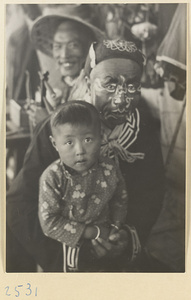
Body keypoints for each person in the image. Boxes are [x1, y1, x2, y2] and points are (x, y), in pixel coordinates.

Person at [7, 39, 165, 272]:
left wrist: (127, 238)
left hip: (118, 250)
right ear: (88, 85)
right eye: (109, 84)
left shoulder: (142, 130)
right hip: (65, 252)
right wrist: (75, 253)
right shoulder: (59, 130)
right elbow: (20, 204)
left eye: (131, 86)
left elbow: (150, 193)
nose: (121, 100)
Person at [39, 100, 128, 272]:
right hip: (67, 245)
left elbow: (120, 200)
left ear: (101, 137)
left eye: (88, 139)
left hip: (106, 236)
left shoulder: (109, 169)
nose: (80, 150)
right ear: (54, 143)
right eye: (69, 143)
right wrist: (92, 232)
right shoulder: (52, 177)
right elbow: (49, 222)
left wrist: (116, 228)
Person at [27, 4, 104, 126]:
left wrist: (47, 121)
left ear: (89, 48)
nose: (64, 55)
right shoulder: (69, 84)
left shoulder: (95, 90)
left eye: (73, 45)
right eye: (58, 46)